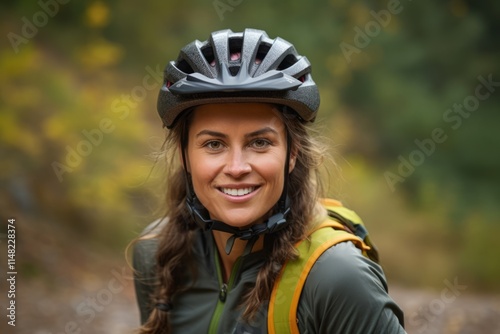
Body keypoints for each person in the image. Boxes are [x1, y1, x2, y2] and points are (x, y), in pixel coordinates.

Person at [132, 28, 406, 333]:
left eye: (259, 142)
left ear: (292, 153)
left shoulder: (337, 277)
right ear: (185, 156)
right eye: (214, 144)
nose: (236, 167)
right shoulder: (156, 254)